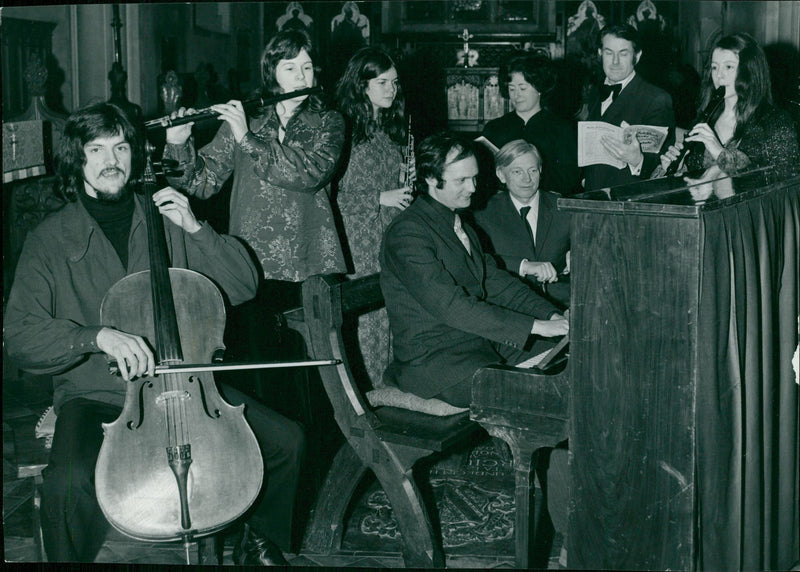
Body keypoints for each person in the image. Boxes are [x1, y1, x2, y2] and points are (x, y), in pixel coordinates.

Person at [3, 103, 304, 565]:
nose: (111, 160)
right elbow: (20, 334)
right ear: (76, 159)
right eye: (97, 149)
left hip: (187, 385)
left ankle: (255, 537)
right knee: (68, 483)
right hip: (97, 395)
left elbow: (244, 287)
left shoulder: (166, 214)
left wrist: (197, 228)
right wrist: (96, 336)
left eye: (121, 147)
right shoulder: (51, 237)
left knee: (286, 441)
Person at [380, 131, 568, 408]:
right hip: (435, 361)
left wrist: (553, 315)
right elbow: (450, 305)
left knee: (567, 359)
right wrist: (537, 326)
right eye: (461, 180)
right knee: (531, 394)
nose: (473, 187)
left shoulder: (458, 222)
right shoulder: (407, 233)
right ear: (432, 180)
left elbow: (495, 282)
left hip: (476, 342)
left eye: (474, 177)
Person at [334, 46, 412, 385]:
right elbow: (329, 196)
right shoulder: (343, 131)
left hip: (388, 236)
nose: (391, 90)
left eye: (394, 83)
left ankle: (388, 390)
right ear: (360, 85)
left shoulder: (390, 131)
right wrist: (381, 196)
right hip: (357, 242)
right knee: (366, 322)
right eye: (382, 82)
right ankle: (365, 397)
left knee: (391, 315)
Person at [656, 32, 800, 181]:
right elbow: (696, 176)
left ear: (750, 72)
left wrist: (720, 154)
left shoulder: (775, 121)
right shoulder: (705, 118)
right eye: (714, 68)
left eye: (728, 67)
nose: (719, 76)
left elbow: (785, 181)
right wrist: (679, 168)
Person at [473, 140, 571, 308]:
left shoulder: (565, 207)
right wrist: (523, 266)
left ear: (540, 171)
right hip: (509, 306)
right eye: (517, 171)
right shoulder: (482, 213)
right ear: (501, 175)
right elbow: (476, 260)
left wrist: (577, 253)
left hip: (562, 304)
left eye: (532, 170)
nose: (527, 179)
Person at [582, 24, 674, 191]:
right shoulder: (595, 93)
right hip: (593, 200)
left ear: (637, 56)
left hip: (630, 204)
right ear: (600, 53)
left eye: (623, 53)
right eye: (609, 53)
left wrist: (637, 160)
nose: (615, 62)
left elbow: (665, 164)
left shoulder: (656, 99)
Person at [482, 53, 581, 196]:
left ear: (540, 88)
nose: (517, 95)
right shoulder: (494, 128)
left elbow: (569, 177)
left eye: (522, 88)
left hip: (547, 204)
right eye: (511, 88)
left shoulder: (561, 128)